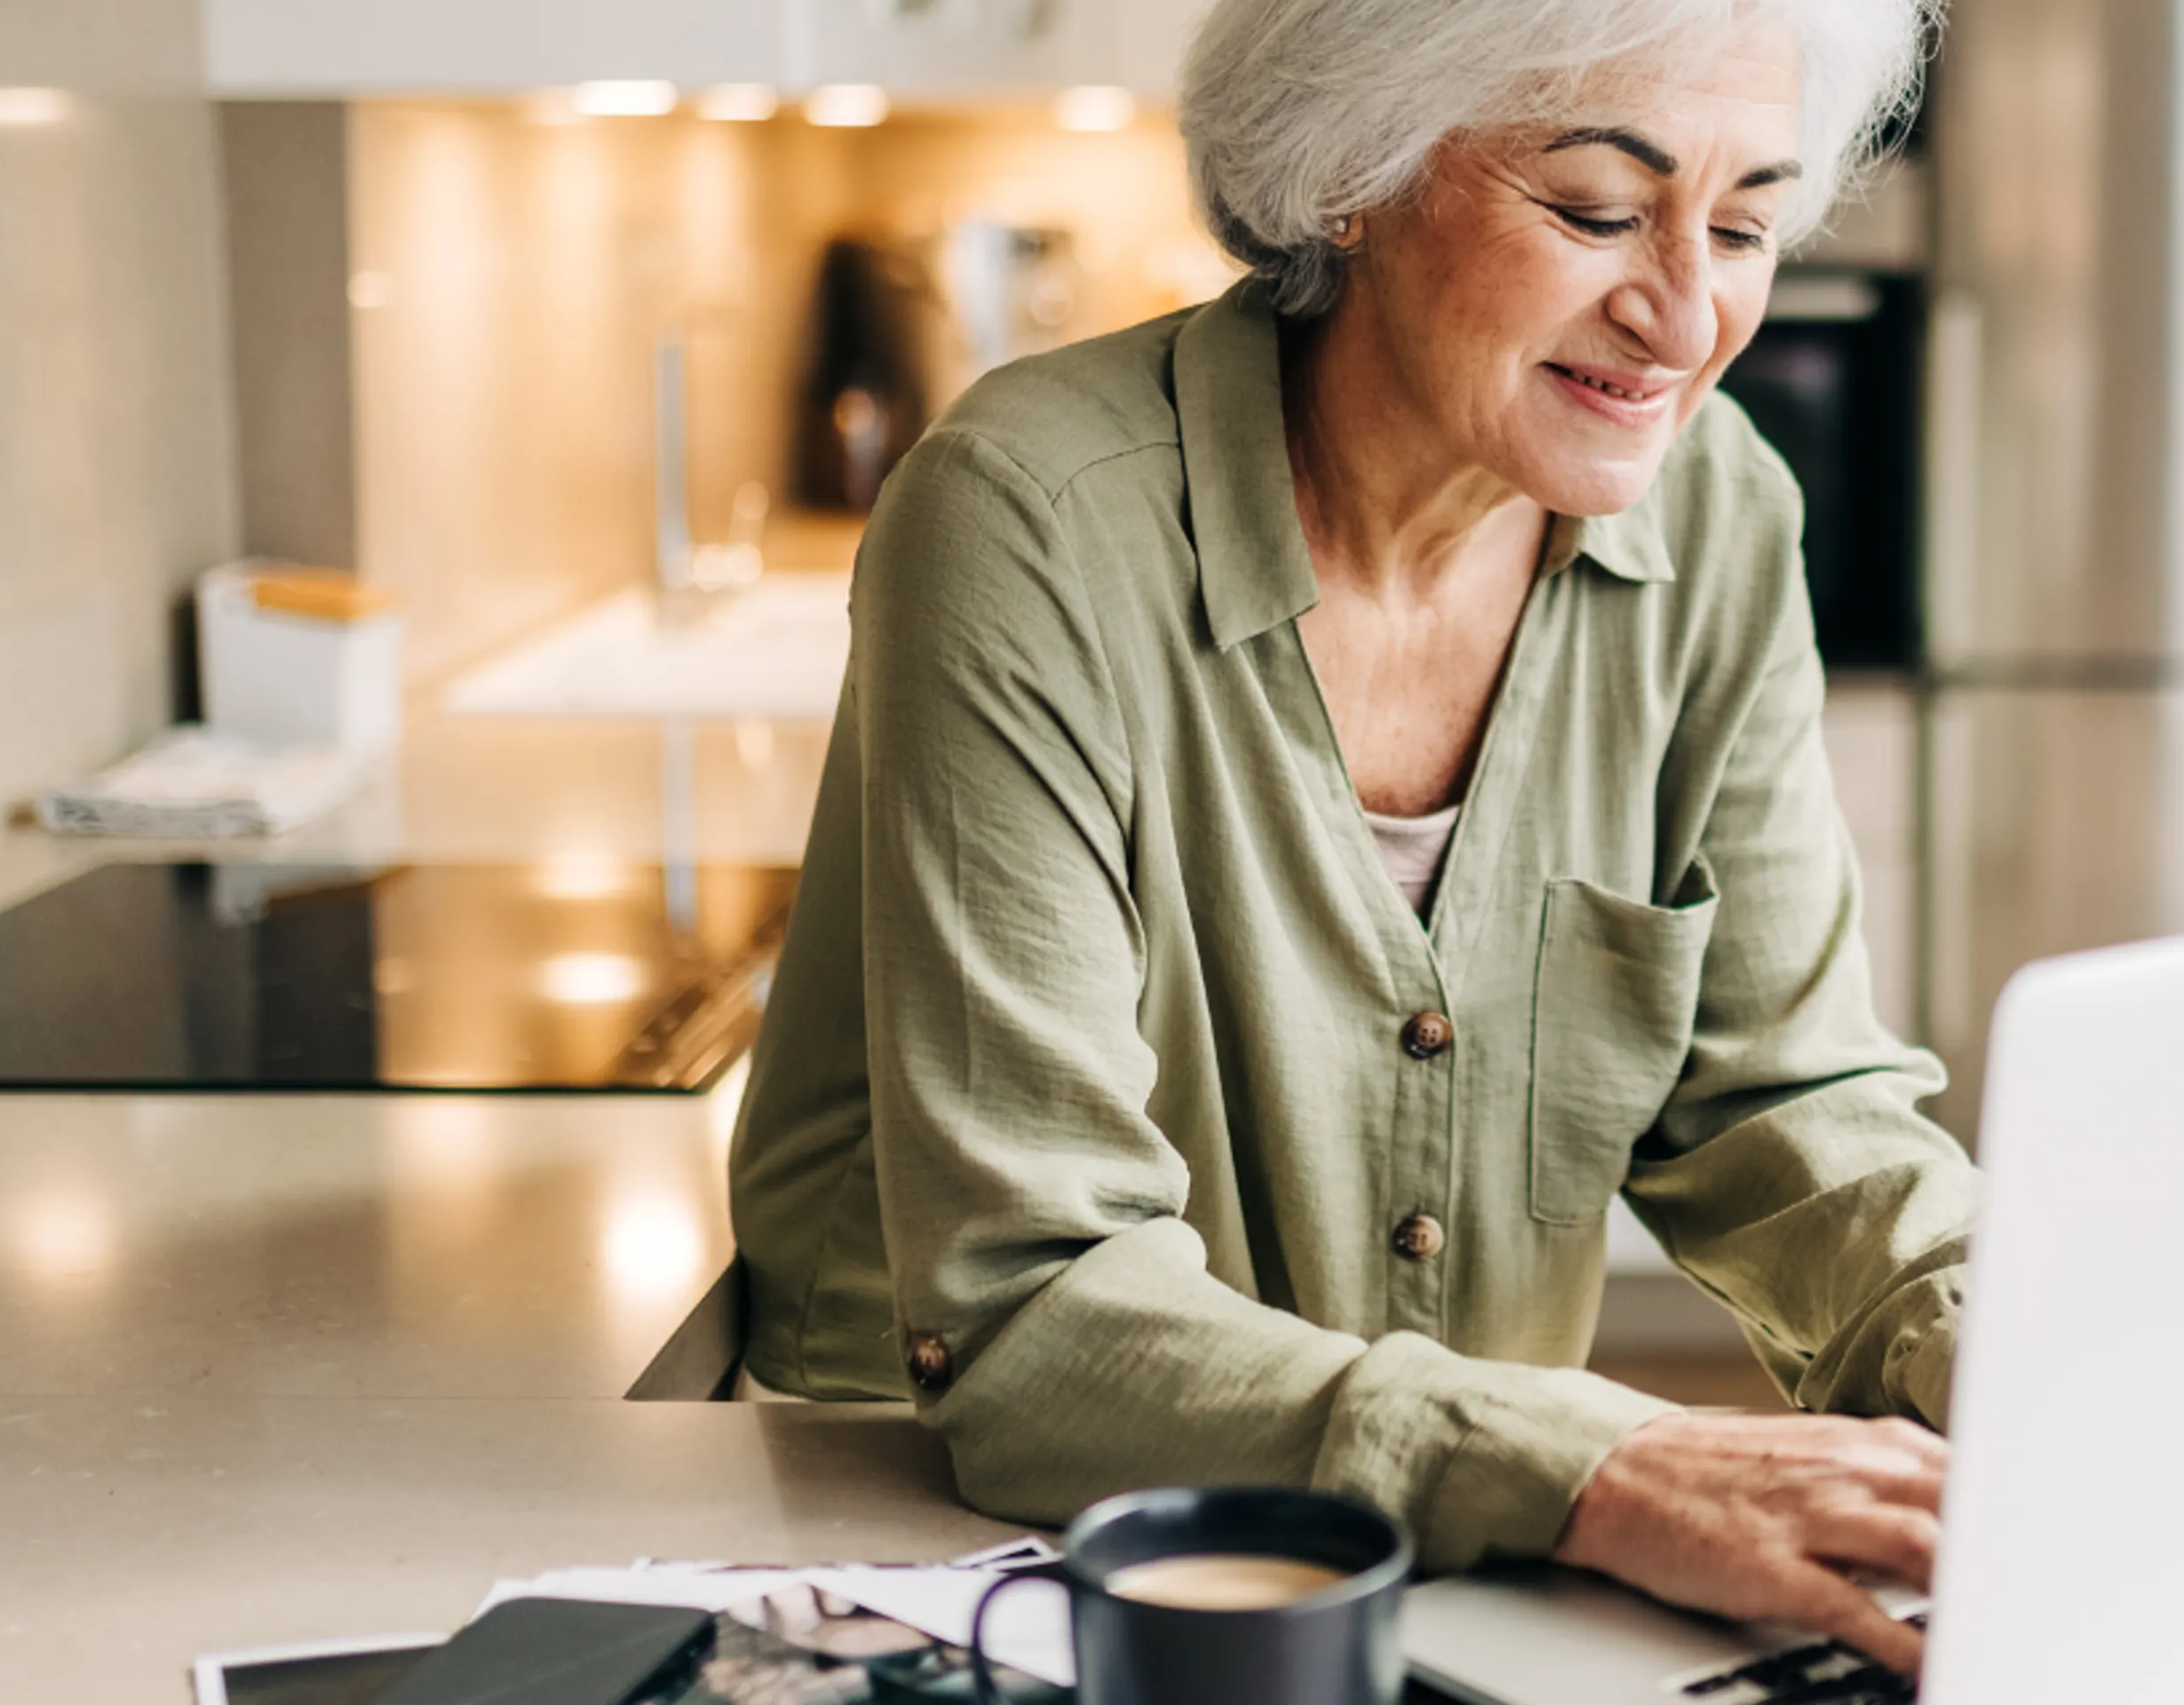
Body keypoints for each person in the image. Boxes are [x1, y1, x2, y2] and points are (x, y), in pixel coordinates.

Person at [728, 0, 1972, 1671]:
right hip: (952, 1560)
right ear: (1350, 176)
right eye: (1599, 210)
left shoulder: (1719, 510)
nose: (1688, 312)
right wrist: (1602, 1461)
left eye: (1745, 222)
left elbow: (1785, 1103)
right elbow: (1032, 1310)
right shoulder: (1029, 519)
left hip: (1446, 1559)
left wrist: (2022, 1361)